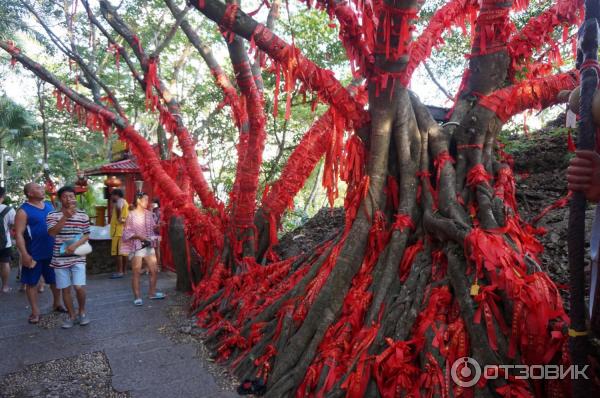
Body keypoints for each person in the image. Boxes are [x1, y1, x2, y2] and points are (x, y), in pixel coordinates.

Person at [14, 182, 64, 324]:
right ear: (29, 193)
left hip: (52, 251)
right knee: (31, 283)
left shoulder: (49, 205)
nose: (42, 189)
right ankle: (35, 312)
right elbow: (18, 234)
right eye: (37, 188)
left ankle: (57, 304)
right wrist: (24, 254)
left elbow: (57, 226)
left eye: (41, 188)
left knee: (55, 280)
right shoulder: (23, 211)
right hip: (33, 253)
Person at [47, 186, 91, 329]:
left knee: (78, 287)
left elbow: (86, 234)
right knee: (65, 289)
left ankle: (82, 312)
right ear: (60, 199)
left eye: (72, 196)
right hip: (59, 258)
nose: (69, 199)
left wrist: (75, 245)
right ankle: (71, 315)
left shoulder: (83, 215)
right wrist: (65, 217)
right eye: (65, 196)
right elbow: (52, 233)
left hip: (78, 256)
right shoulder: (52, 215)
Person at [121, 192, 165, 306]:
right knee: (136, 272)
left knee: (154, 270)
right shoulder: (131, 215)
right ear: (138, 200)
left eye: (147, 199)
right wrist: (139, 236)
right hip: (137, 245)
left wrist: (159, 226)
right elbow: (126, 233)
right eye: (145, 199)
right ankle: (137, 297)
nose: (147, 202)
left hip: (148, 245)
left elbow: (152, 228)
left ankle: (152, 293)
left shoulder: (149, 214)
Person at [109, 189, 128, 279]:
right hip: (122, 231)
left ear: (117, 195)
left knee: (118, 253)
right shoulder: (125, 202)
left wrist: (119, 217)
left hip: (118, 231)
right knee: (123, 253)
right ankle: (124, 271)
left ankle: (119, 272)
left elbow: (118, 208)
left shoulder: (119, 201)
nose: (112, 197)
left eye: (113, 195)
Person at [0, 187, 16, 293]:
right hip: (4, 242)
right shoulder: (8, 209)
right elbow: (15, 225)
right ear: (3, 196)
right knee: (5, 263)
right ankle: (5, 286)